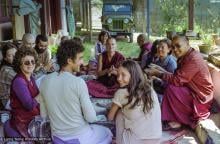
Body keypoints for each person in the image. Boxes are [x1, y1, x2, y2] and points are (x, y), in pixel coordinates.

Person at [39, 39, 112, 144]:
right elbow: (91, 118)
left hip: (57, 136)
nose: (82, 62)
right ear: (69, 60)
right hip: (79, 136)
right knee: (107, 132)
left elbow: (44, 115)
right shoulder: (78, 82)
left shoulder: (44, 81)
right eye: (80, 58)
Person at [148, 35, 214, 130]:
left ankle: (176, 122)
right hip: (191, 90)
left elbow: (177, 80)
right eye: (173, 47)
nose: (175, 49)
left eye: (178, 46)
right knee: (169, 87)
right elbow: (177, 76)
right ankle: (172, 118)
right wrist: (160, 71)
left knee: (171, 88)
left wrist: (159, 74)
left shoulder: (193, 58)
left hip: (201, 97)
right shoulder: (185, 55)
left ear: (187, 43)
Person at [108, 60, 162, 144]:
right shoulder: (149, 89)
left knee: (120, 113)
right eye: (118, 74)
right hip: (156, 139)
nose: (118, 78)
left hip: (134, 141)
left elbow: (110, 117)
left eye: (123, 75)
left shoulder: (121, 93)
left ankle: (119, 141)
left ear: (133, 76)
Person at [4, 47, 40, 138]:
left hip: (33, 118)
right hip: (23, 121)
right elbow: (29, 105)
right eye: (26, 62)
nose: (31, 64)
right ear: (20, 64)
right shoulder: (19, 81)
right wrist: (42, 95)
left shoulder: (31, 77)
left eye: (33, 61)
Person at [0, 43, 17, 108]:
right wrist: (43, 70)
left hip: (14, 96)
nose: (14, 57)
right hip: (8, 101)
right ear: (5, 58)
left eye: (15, 54)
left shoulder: (14, 65)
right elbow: (25, 80)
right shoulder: (6, 71)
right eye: (10, 55)